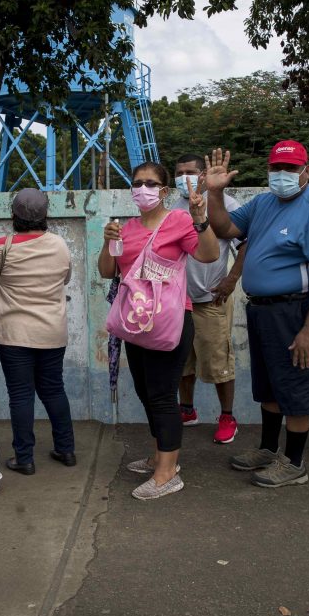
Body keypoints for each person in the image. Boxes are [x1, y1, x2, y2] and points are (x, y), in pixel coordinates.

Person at [204, 142, 309, 488]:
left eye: (291, 169)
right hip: (265, 311)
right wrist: (215, 193)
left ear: (306, 172)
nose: (282, 175)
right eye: (276, 168)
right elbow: (224, 229)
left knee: (297, 383)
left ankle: (295, 463)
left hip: (298, 310)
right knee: (270, 384)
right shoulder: (264, 203)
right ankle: (268, 449)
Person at [100, 161, 220, 500]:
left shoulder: (179, 221)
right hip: (136, 323)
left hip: (170, 321)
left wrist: (201, 219)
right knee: (144, 391)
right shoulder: (127, 227)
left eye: (151, 183)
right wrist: (107, 242)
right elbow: (108, 271)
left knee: (163, 395)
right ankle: (159, 456)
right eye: (138, 183)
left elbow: (209, 255)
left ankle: (167, 473)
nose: (143, 188)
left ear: (164, 191)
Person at [0, 188, 75, 477]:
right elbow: (65, 278)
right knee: (54, 389)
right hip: (52, 332)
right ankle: (66, 449)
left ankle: (24, 458)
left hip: (14, 333)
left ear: (14, 215)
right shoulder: (60, 245)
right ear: (46, 214)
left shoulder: (1, 246)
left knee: (20, 395)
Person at [171, 154, 246, 444]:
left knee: (219, 363)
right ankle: (187, 410)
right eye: (178, 172)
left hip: (210, 300)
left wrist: (231, 279)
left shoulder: (226, 205)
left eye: (190, 171)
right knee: (181, 362)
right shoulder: (173, 208)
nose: (184, 177)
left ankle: (227, 417)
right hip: (178, 302)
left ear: (203, 175)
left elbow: (245, 244)